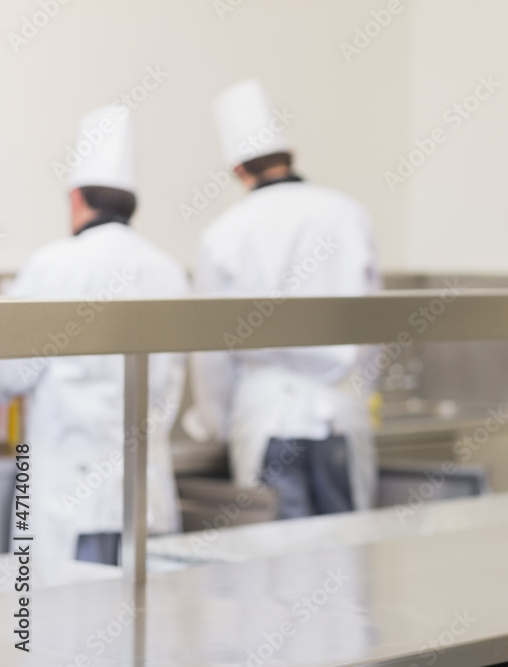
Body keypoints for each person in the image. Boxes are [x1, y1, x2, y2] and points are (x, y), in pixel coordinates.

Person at [0, 105, 188, 569]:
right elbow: (176, 378)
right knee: (142, 625)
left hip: (69, 485)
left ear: (78, 199)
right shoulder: (166, 270)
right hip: (143, 485)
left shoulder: (54, 264)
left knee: (64, 626)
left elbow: (13, 369)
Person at [191, 79, 381, 519]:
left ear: (238, 170)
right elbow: (374, 326)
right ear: (287, 157)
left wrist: (216, 420)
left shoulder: (224, 233)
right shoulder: (349, 213)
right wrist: (360, 393)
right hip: (340, 413)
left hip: (267, 416)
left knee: (274, 570)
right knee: (344, 562)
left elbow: (211, 349)